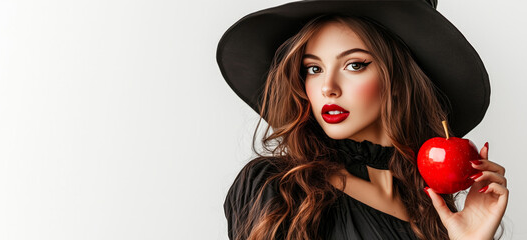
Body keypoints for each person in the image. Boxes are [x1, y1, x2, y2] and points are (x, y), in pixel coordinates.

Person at [216, 1, 508, 240]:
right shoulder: (277, 188)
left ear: (397, 79)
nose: (328, 86)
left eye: (354, 65)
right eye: (313, 68)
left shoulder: (432, 209)